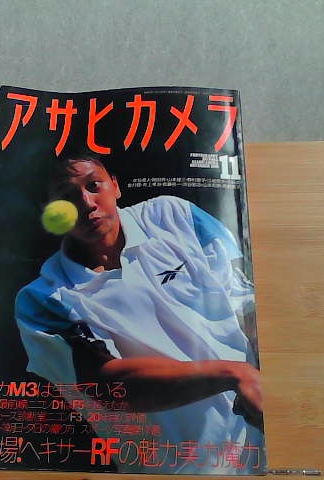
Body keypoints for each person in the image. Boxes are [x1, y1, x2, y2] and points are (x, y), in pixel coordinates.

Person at [15, 154, 264, 474]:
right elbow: (109, 385)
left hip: (262, 446)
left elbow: (247, 303)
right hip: (183, 471)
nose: (87, 203)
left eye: (94, 186)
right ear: (49, 209)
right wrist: (234, 374)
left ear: (115, 186)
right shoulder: (42, 300)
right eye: (67, 195)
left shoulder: (175, 215)